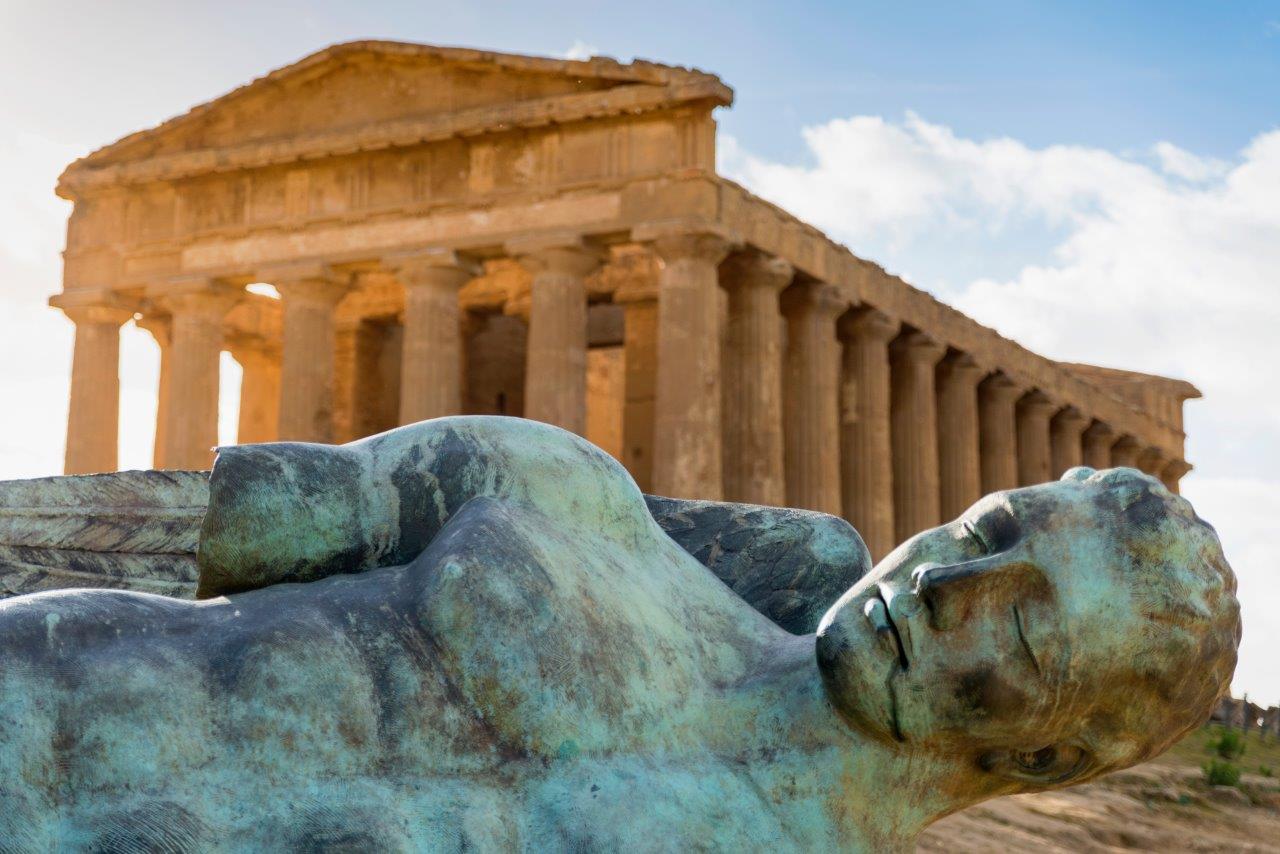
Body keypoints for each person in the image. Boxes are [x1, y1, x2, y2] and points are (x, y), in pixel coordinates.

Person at [0, 416, 1239, 851]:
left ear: (1049, 757)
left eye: (1021, 627)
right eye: (983, 533)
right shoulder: (566, 495)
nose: (945, 587)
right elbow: (158, 528)